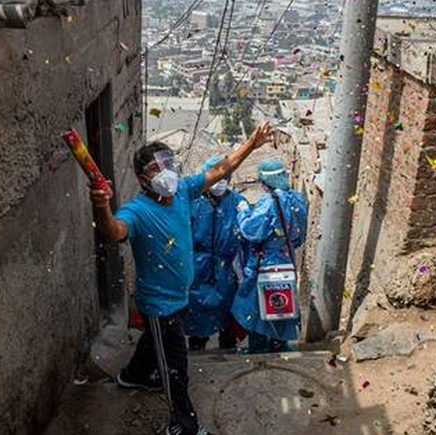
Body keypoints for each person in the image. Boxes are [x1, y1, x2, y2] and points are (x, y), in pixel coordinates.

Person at [89, 123, 274, 435]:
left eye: (168, 164)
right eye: (155, 168)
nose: (165, 173)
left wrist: (251, 144)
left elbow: (221, 168)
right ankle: (183, 425)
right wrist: (101, 206)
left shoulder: (184, 192)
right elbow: (114, 231)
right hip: (160, 305)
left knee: (154, 342)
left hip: (180, 296)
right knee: (175, 368)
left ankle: (133, 375)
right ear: (142, 179)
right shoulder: (137, 210)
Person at [231, 157, 308, 354]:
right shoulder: (297, 199)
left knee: (255, 303)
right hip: (286, 258)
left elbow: (251, 231)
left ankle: (258, 347)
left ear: (265, 181)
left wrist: (243, 212)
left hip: (265, 260)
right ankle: (280, 344)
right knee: (282, 301)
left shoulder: (268, 202)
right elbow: (299, 235)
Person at [185, 156, 247, 351]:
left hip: (226, 268)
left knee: (227, 312)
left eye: (224, 178)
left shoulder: (238, 203)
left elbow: (248, 237)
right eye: (216, 178)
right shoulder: (192, 202)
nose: (220, 183)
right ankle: (197, 345)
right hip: (197, 266)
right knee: (197, 312)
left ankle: (227, 347)